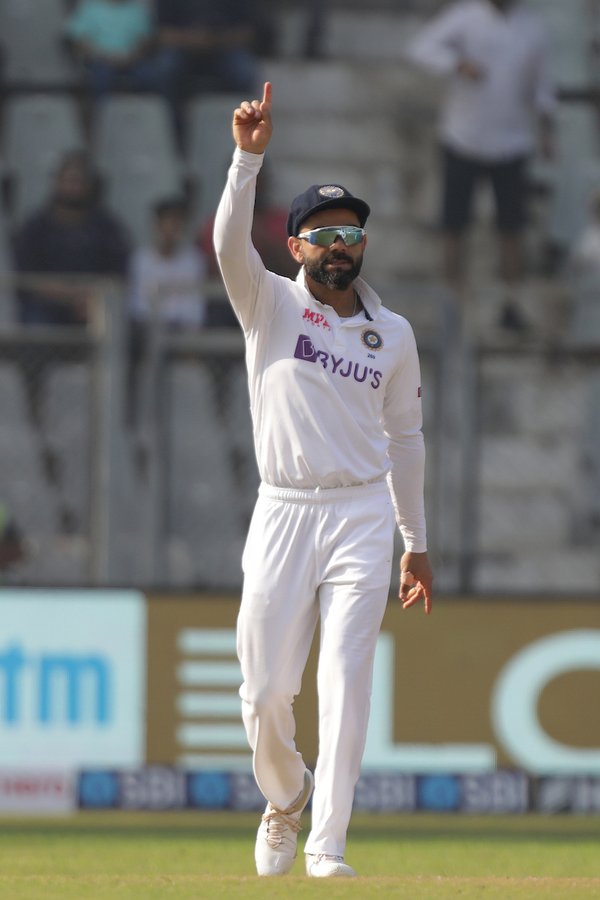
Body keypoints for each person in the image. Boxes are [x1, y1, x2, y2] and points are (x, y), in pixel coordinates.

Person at [213, 82, 433, 879]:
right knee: (266, 690)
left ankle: (328, 841)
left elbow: (406, 438)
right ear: (296, 244)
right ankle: (285, 795)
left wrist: (416, 542)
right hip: (282, 511)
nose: (340, 246)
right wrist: (247, 158)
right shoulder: (266, 302)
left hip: (362, 513)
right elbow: (228, 246)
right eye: (323, 234)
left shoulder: (392, 334)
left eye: (351, 234)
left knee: (346, 680)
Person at [406, 0, 556, 331]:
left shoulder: (532, 27)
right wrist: (457, 64)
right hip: (463, 136)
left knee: (511, 227)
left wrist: (547, 129)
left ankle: (510, 301)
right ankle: (452, 301)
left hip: (512, 141)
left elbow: (541, 84)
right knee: (454, 224)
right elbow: (420, 48)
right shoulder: (466, 17)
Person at [12, 150, 130, 433]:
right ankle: (35, 416)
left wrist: (92, 300)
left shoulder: (106, 227)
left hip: (94, 307)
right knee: (36, 332)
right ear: (57, 182)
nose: (72, 187)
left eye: (78, 181)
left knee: (127, 332)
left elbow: (118, 275)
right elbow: (27, 280)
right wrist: (71, 297)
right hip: (47, 306)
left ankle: (117, 415)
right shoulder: (36, 226)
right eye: (68, 180)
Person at [127, 196, 208, 428]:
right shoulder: (140, 259)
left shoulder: (193, 260)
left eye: (177, 223)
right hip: (148, 327)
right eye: (168, 222)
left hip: (181, 328)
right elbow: (138, 305)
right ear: (156, 225)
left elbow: (194, 306)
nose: (172, 229)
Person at [64, 0, 157, 101]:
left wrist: (132, 57)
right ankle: (101, 113)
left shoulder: (137, 9)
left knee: (150, 75)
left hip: (132, 60)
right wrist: (103, 56)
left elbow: (146, 40)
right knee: (101, 76)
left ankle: (143, 114)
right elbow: (79, 40)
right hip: (99, 59)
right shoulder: (89, 7)